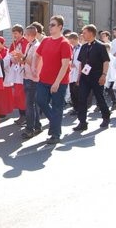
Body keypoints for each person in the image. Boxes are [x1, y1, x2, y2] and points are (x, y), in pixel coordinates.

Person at [35, 15, 72, 144]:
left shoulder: (64, 43)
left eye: (53, 25)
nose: (49, 27)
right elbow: (37, 55)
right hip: (43, 80)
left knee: (57, 107)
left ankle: (55, 134)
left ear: (60, 27)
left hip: (59, 82)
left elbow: (65, 65)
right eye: (49, 24)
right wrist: (36, 70)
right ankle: (55, 122)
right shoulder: (45, 41)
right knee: (40, 100)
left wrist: (56, 83)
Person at [73, 25, 111, 131]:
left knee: (99, 97)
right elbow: (81, 63)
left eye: (84, 32)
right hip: (85, 77)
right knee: (82, 99)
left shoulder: (101, 46)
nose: (83, 34)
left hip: (97, 76)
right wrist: (78, 77)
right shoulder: (84, 47)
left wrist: (104, 75)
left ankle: (106, 116)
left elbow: (106, 61)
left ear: (91, 33)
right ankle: (82, 122)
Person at [20, 26, 42, 139]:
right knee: (32, 104)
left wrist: (22, 57)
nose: (24, 36)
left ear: (30, 35)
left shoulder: (37, 46)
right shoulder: (29, 45)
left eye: (26, 34)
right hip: (27, 76)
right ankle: (37, 125)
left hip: (33, 78)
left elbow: (32, 63)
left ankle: (30, 129)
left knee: (29, 105)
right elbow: (26, 61)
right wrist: (19, 58)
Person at [8, 25, 28, 125]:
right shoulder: (14, 43)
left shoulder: (25, 42)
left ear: (21, 32)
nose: (14, 35)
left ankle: (25, 115)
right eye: (13, 33)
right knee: (17, 93)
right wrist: (13, 58)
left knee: (22, 93)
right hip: (16, 70)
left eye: (16, 33)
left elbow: (26, 56)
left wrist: (19, 59)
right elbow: (10, 55)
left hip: (23, 70)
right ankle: (22, 114)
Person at [0, 36, 14, 118]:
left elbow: (4, 64)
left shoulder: (7, 52)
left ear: (2, 44)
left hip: (5, 77)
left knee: (3, 97)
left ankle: (3, 112)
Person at [67, 33, 81, 115]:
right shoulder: (72, 48)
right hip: (72, 72)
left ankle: (79, 108)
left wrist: (75, 65)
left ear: (74, 39)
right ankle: (75, 108)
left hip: (77, 72)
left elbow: (81, 62)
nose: (70, 42)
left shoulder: (81, 48)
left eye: (70, 41)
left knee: (77, 92)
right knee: (72, 91)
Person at [104, 43, 116, 110]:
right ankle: (99, 105)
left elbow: (114, 68)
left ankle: (115, 102)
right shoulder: (101, 57)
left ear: (109, 50)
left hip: (111, 76)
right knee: (100, 91)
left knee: (110, 90)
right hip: (104, 76)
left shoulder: (112, 58)